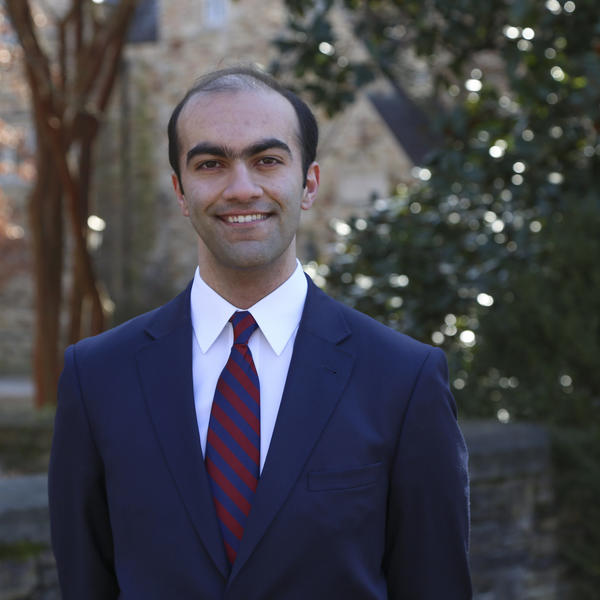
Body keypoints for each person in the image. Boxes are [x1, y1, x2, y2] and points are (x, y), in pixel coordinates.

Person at [48, 66, 472, 599]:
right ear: (181, 191)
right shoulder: (97, 378)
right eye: (211, 163)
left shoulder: (404, 380)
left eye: (267, 160)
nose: (241, 188)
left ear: (309, 183)